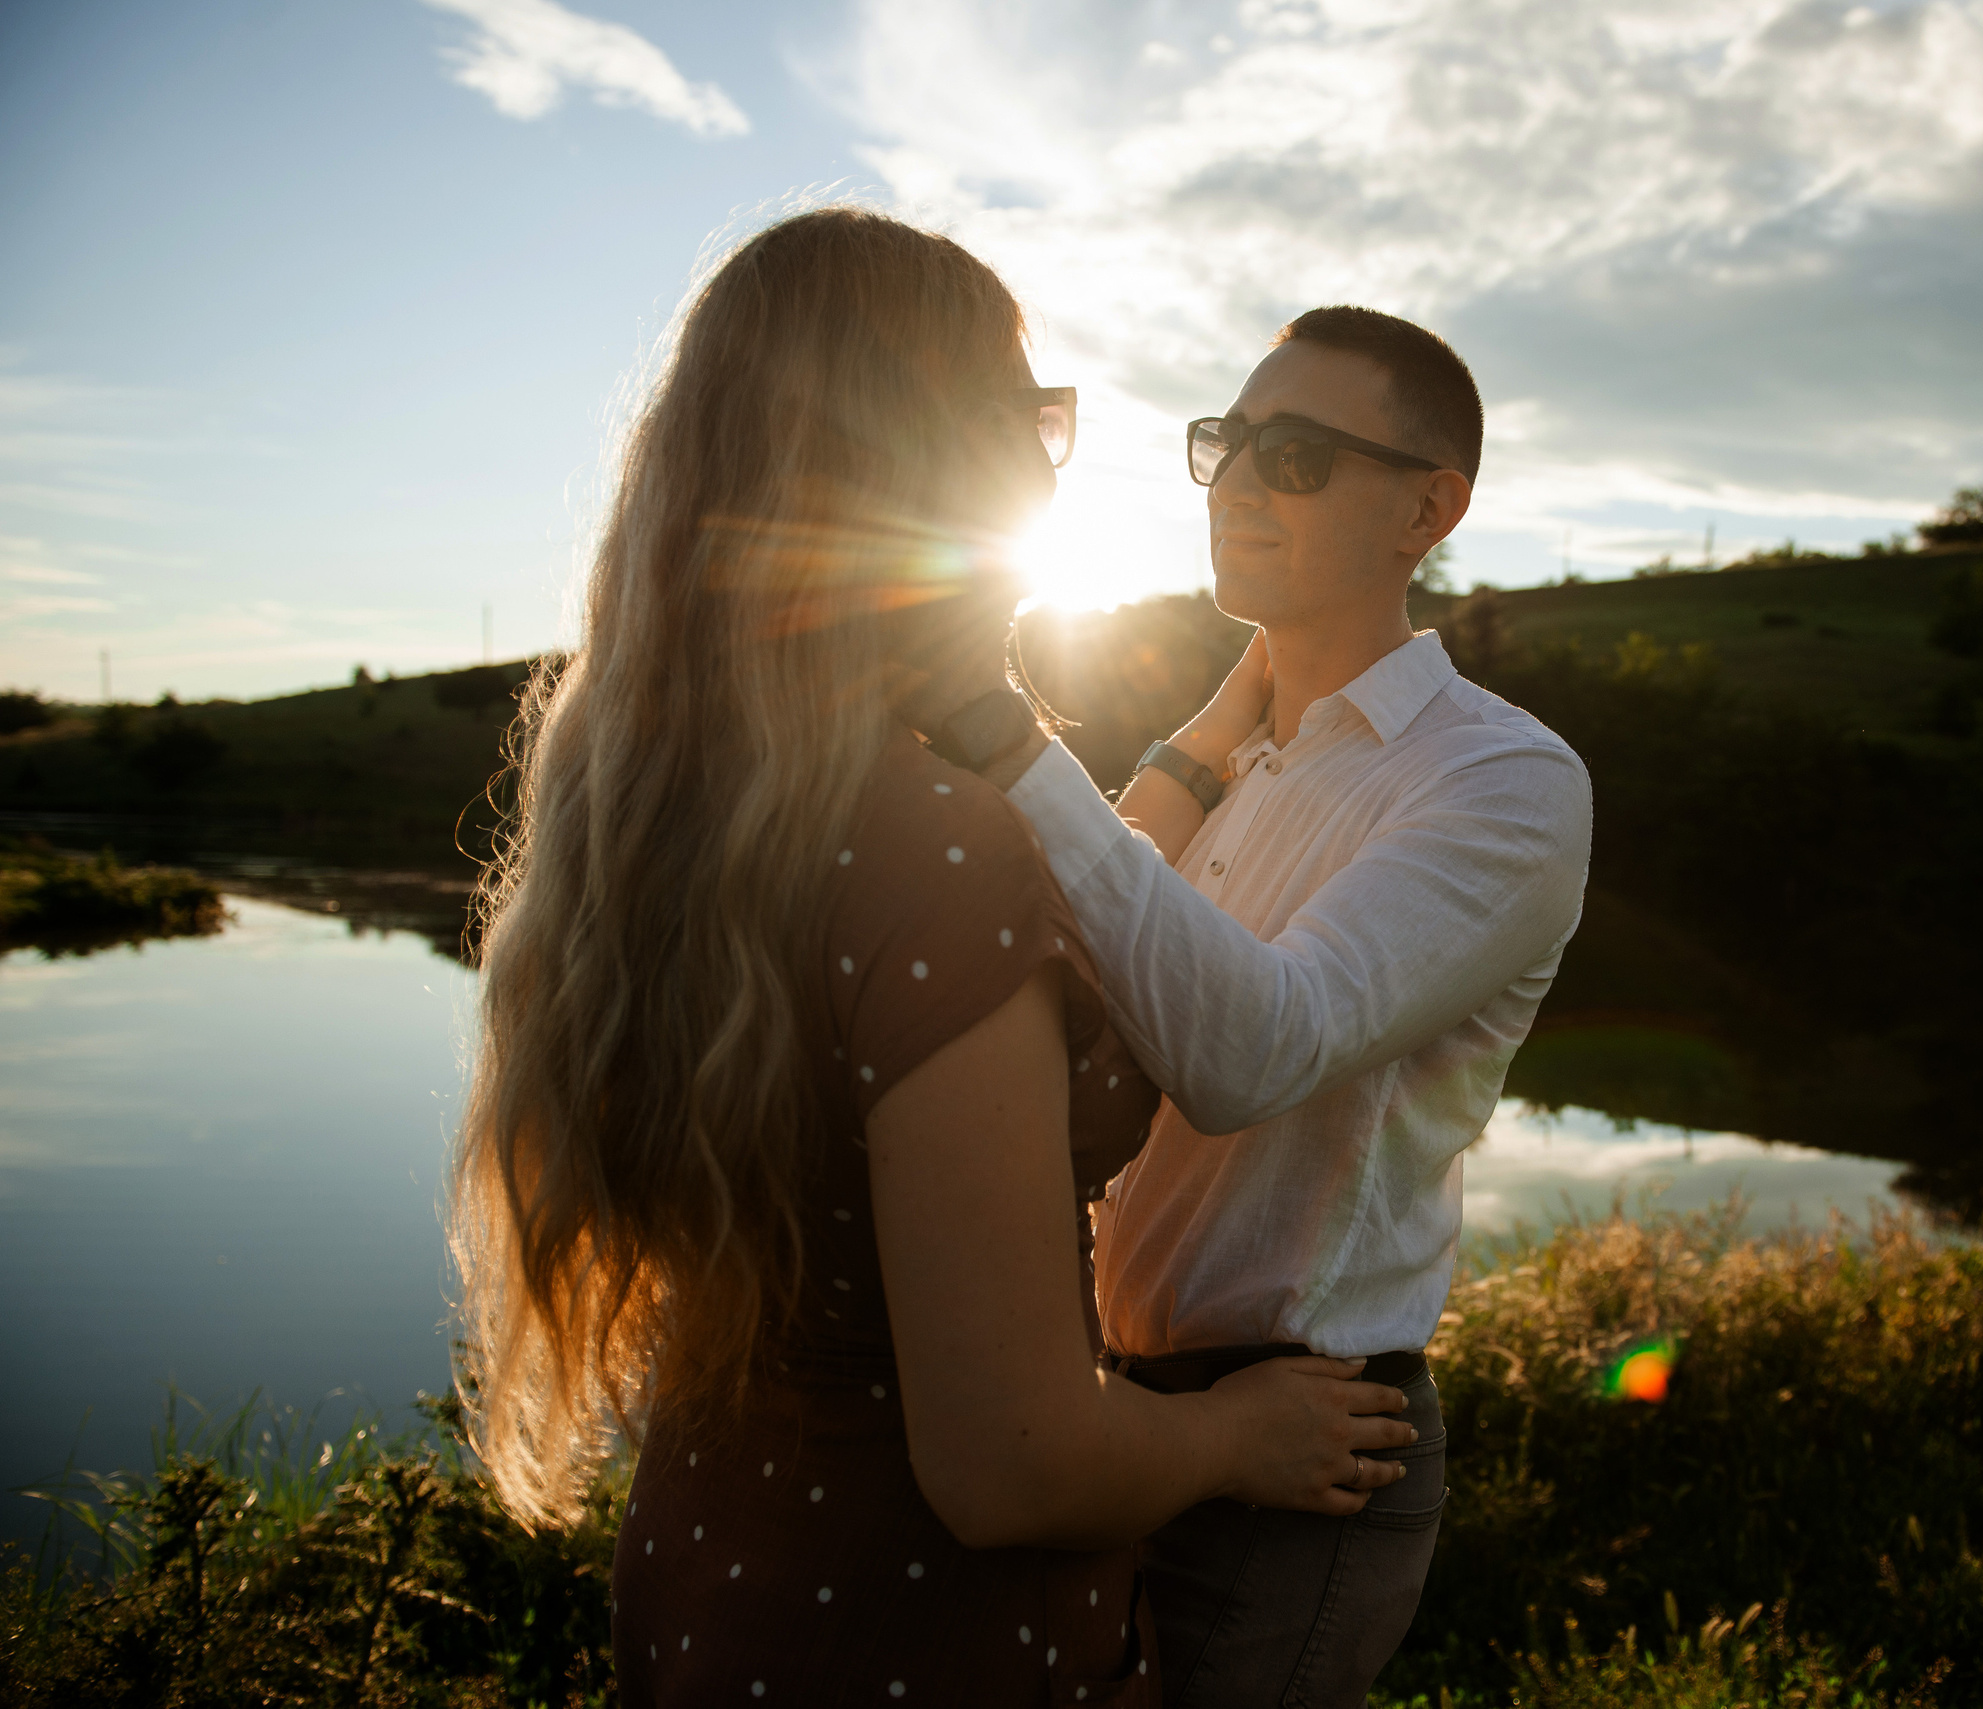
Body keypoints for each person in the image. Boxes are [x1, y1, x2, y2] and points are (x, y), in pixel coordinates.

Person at [448, 210, 1418, 1707]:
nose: (1046, 468)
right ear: (917, 449)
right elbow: (1012, 1464)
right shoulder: (925, 838)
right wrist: (1242, 1436)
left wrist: (1199, 749)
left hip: (721, 1576)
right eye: (1026, 420)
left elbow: (986, 899)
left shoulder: (679, 809)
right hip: (921, 1639)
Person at [949, 308, 1593, 1702]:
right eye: (1226, 443)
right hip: (1125, 1416)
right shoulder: (1245, 759)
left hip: (1300, 1451)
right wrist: (1193, 746)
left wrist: (1000, 732)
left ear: (1431, 507)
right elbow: (1071, 968)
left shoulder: (1501, 780)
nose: (1237, 481)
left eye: (1292, 453)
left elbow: (1255, 1050)